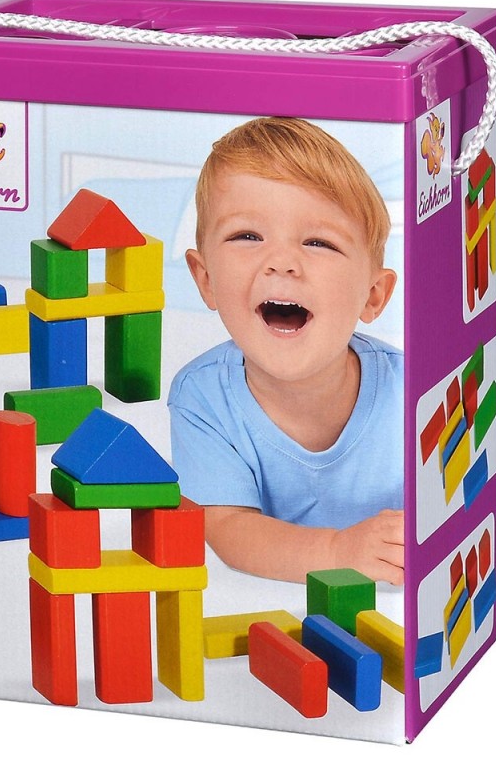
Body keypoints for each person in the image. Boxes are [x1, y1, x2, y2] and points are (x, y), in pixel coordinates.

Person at [168, 117, 404, 585]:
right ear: (206, 279)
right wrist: (338, 551)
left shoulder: (415, 391)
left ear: (373, 295)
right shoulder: (201, 397)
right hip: (269, 609)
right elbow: (227, 530)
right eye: (247, 236)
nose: (281, 262)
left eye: (319, 242)